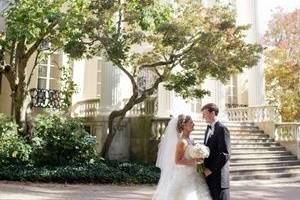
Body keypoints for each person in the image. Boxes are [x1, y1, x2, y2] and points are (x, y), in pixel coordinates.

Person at [153, 114, 212, 200]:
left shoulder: (191, 139)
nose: (193, 124)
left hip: (195, 174)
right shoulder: (182, 142)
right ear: (184, 125)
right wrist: (194, 162)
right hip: (185, 176)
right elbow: (177, 161)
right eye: (191, 122)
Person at [201, 103, 231, 200]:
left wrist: (210, 170)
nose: (203, 117)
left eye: (204, 114)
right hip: (209, 177)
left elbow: (225, 153)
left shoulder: (222, 129)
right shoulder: (208, 129)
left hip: (219, 178)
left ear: (212, 113)